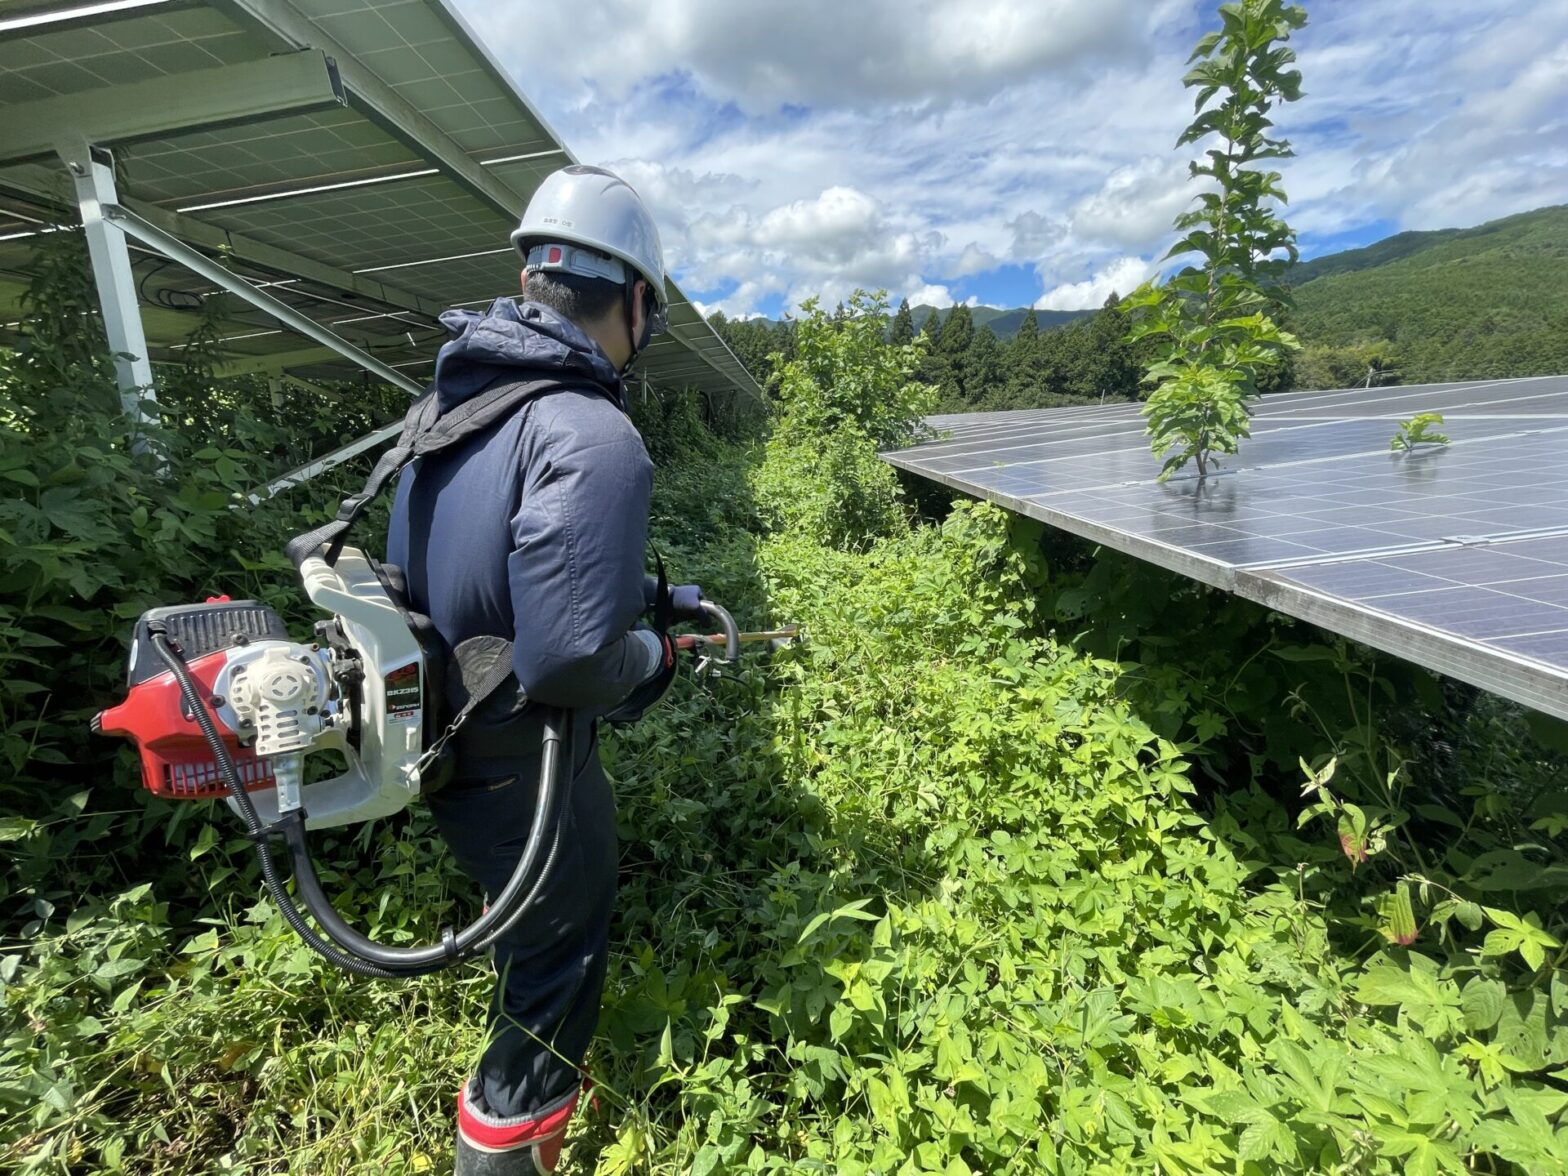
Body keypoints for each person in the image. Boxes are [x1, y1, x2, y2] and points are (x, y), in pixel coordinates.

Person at [386, 164, 679, 1175]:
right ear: (635, 298)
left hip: (448, 740)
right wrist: (653, 652)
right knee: (555, 960)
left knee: (523, 931)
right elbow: (571, 659)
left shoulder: (451, 412)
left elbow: (487, 571)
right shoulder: (591, 436)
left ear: (530, 279)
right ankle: (503, 1146)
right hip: (525, 762)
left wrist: (632, 594)